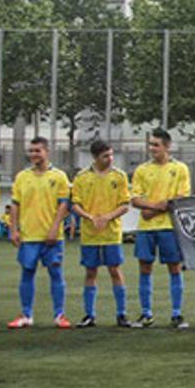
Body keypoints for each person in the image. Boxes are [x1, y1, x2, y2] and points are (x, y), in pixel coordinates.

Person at [8, 137, 71, 329]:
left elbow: (63, 205)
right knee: (27, 273)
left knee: (56, 273)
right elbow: (15, 205)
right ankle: (26, 315)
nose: (34, 154)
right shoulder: (22, 177)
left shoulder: (59, 176)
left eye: (38, 151)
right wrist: (13, 229)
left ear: (47, 152)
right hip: (29, 236)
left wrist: (54, 228)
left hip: (52, 237)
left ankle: (59, 315)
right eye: (31, 151)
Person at [131, 128, 191, 329]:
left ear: (167, 146)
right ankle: (146, 314)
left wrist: (152, 209)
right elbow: (135, 199)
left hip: (169, 227)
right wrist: (157, 206)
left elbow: (181, 198)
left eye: (156, 145)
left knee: (174, 267)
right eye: (150, 145)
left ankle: (176, 314)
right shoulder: (141, 170)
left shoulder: (180, 169)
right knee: (145, 267)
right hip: (146, 228)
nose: (152, 148)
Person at [70, 139, 132, 328]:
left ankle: (122, 314)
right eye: (106, 156)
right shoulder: (81, 177)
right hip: (90, 234)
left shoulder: (119, 176)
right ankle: (89, 315)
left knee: (115, 270)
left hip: (111, 233)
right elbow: (75, 204)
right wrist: (90, 217)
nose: (110, 158)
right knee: (90, 272)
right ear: (96, 157)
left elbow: (125, 204)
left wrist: (107, 218)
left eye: (112, 154)